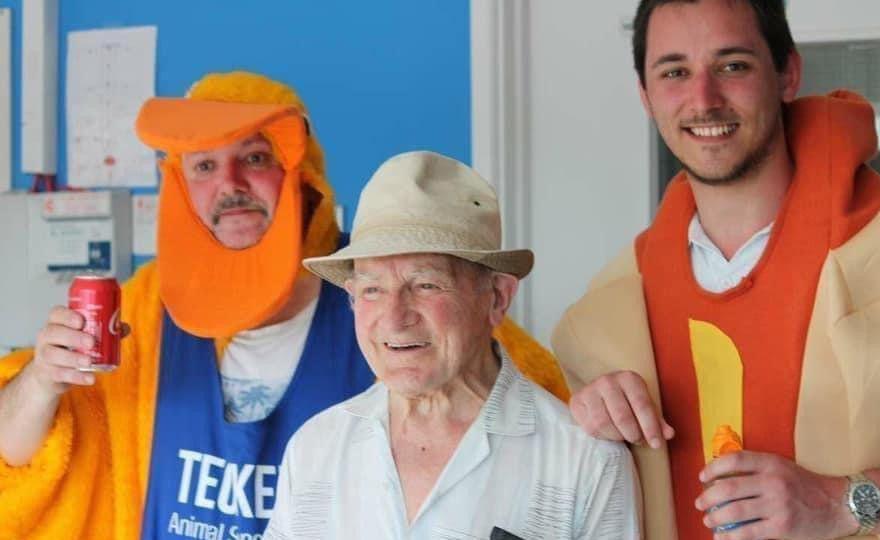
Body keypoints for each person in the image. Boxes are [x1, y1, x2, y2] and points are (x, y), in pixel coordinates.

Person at [0, 72, 570, 539]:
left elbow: (542, 413)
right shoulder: (142, 308)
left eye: (254, 157)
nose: (229, 184)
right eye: (203, 165)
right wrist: (43, 381)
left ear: (303, 176)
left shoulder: (380, 292)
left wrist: (597, 402)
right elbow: (18, 460)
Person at [553, 1, 880, 539]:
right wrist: (586, 432)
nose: (704, 99)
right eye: (675, 72)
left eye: (733, 65)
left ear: (787, 73)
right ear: (646, 96)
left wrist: (841, 503)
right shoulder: (612, 304)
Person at [264, 150, 639, 539]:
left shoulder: (583, 458)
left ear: (496, 298)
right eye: (373, 290)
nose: (395, 317)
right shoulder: (316, 446)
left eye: (426, 285)